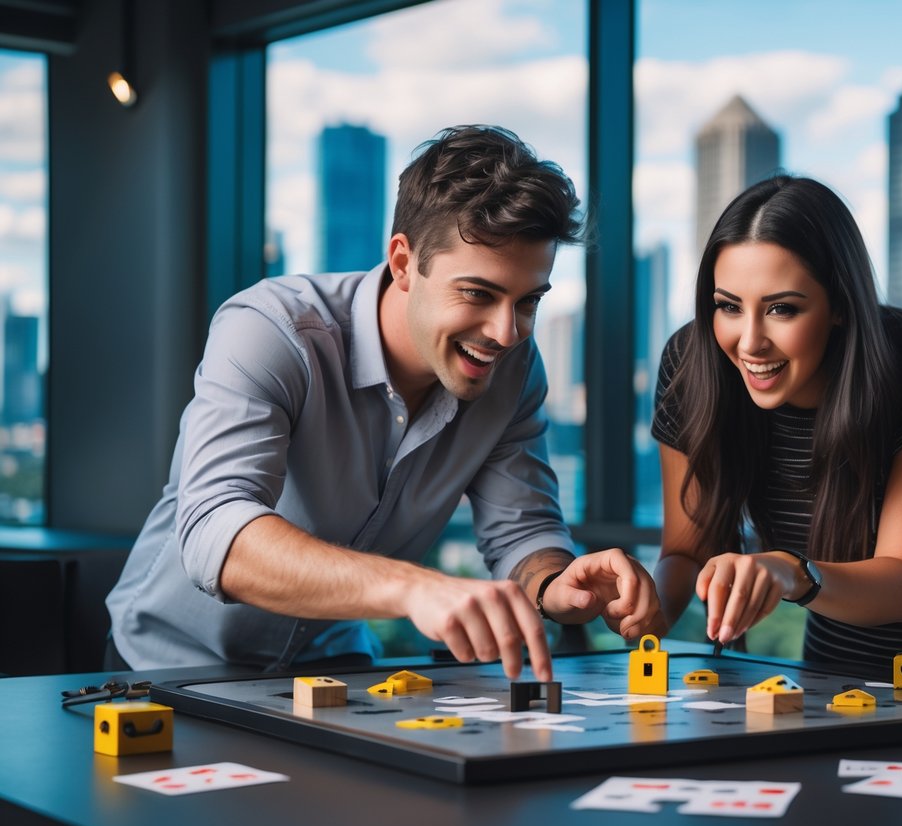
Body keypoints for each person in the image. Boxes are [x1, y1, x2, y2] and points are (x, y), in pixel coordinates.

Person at [106, 125, 659, 678]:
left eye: (528, 301)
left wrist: (555, 584)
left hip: (336, 665)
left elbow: (521, 531)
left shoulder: (514, 368)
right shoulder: (274, 330)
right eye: (478, 294)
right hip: (168, 666)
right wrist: (414, 588)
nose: (507, 332)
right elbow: (214, 530)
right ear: (402, 262)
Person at [650, 175, 902, 673]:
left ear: (839, 306)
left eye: (782, 309)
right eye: (728, 307)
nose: (749, 342)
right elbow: (686, 551)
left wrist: (789, 572)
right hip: (834, 652)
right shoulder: (691, 362)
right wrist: (638, 609)